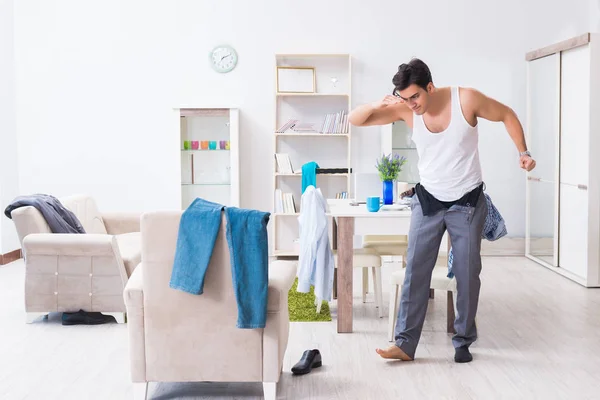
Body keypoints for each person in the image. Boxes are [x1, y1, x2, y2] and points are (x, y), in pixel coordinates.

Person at [348, 58, 536, 363]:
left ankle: (463, 340)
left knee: (467, 272)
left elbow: (506, 114)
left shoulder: (466, 99)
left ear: (430, 87)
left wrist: (523, 152)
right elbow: (356, 119)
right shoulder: (405, 108)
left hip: (467, 202)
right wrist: (378, 102)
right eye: (405, 99)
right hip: (428, 201)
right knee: (415, 271)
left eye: (415, 97)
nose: (411, 105)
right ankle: (405, 344)